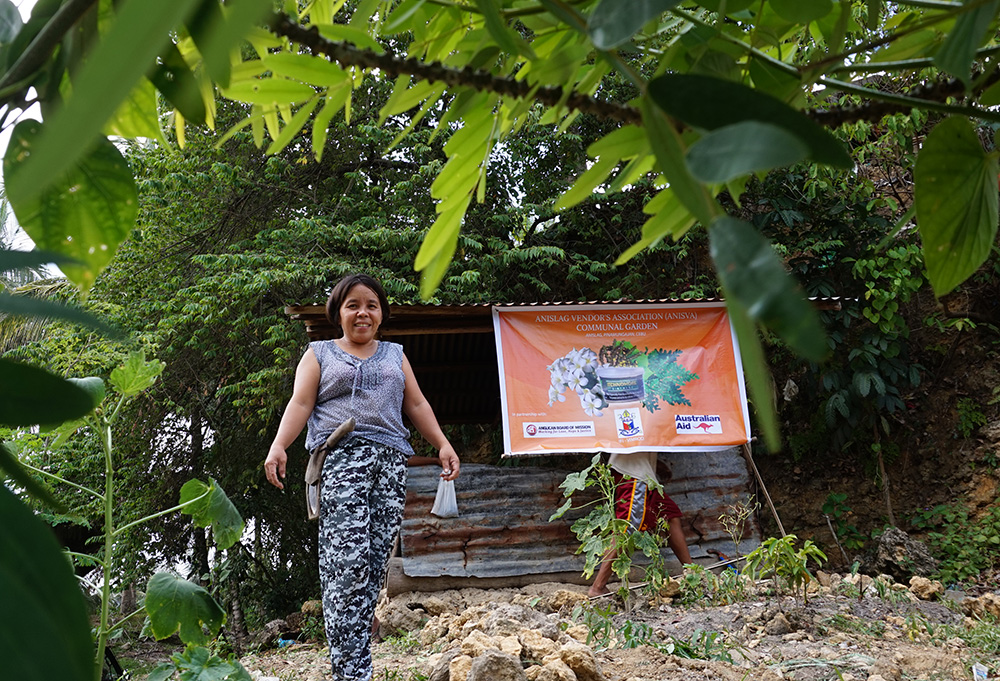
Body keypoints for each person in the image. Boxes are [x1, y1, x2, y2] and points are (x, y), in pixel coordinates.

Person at [263, 273, 460, 681]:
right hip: (341, 461)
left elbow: (417, 403)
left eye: (370, 305)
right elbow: (300, 403)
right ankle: (351, 670)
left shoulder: (394, 354)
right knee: (346, 564)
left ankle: (353, 666)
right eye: (353, 305)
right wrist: (279, 446)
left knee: (372, 566)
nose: (362, 313)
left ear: (381, 312)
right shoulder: (319, 353)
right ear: (338, 313)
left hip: (389, 466)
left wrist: (442, 444)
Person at [589, 451, 691, 597]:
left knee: (670, 516)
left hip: (643, 474)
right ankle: (597, 587)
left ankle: (692, 572)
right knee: (626, 527)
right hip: (633, 472)